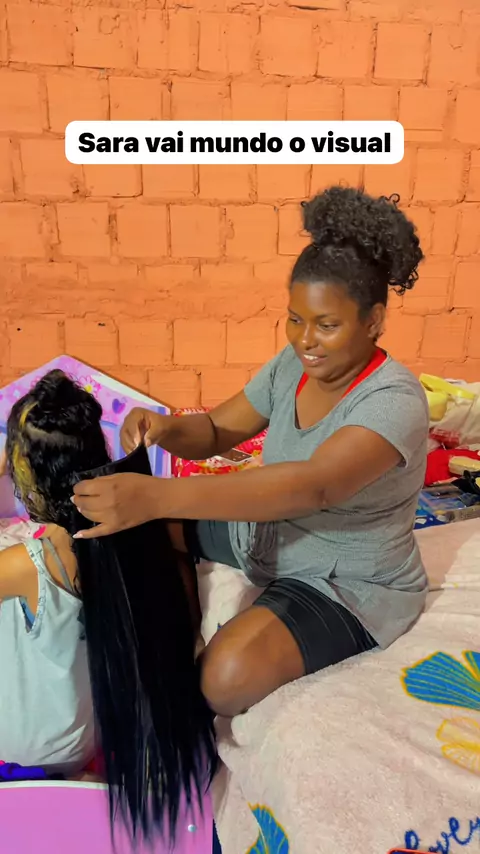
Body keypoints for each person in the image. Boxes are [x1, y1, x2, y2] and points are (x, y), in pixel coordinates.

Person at [72, 186, 430, 719]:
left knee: (224, 679)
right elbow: (217, 429)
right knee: (145, 528)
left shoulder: (393, 400)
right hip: (269, 538)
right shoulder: (292, 365)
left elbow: (313, 485)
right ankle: (187, 631)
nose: (305, 340)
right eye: (295, 319)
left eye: (327, 325)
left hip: (346, 581)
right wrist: (165, 427)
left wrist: (158, 494)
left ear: (374, 320)